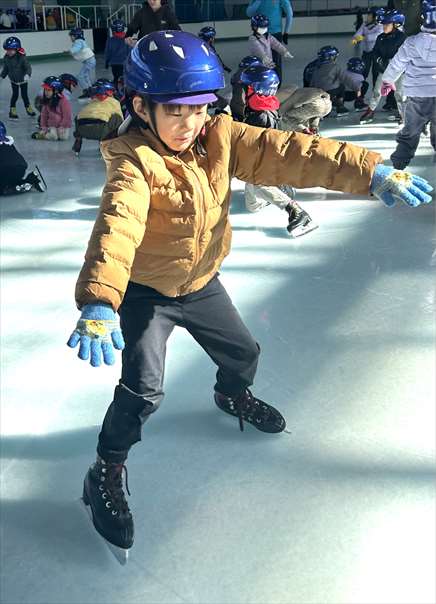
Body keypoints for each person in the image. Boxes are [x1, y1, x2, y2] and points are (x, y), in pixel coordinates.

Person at [66, 30, 432, 561]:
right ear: (141, 107)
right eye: (174, 111)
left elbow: (292, 151)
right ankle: (106, 467)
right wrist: (101, 297)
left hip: (201, 283)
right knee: (143, 390)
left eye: (198, 109)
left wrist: (369, 170)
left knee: (244, 353)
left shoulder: (220, 137)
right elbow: (117, 224)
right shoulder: (133, 160)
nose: (188, 123)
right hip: (145, 291)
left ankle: (230, 393)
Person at [240, 65, 318, 237]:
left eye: (245, 88)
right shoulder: (259, 107)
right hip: (272, 159)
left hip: (270, 161)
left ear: (256, 90)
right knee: (252, 206)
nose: (242, 92)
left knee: (255, 179)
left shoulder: (260, 117)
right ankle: (280, 189)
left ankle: (297, 212)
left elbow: (264, 150)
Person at [380, 0, 436, 169]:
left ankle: (399, 163)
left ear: (422, 18)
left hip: (417, 95)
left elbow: (397, 63)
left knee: (411, 130)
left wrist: (388, 81)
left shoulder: (411, 42)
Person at [360, 10, 406, 124]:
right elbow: (375, 52)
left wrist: (391, 63)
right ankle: (370, 111)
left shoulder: (402, 37)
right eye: (384, 24)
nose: (384, 27)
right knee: (377, 91)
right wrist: (380, 61)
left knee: (400, 94)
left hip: (399, 72)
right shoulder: (380, 37)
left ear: (396, 25)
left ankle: (404, 114)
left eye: (387, 24)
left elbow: (404, 55)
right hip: (384, 70)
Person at [72, 79, 124, 155]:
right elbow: (121, 120)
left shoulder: (91, 101)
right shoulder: (115, 102)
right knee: (116, 118)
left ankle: (78, 141)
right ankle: (108, 145)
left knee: (80, 116)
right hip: (101, 130)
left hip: (81, 129)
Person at [246, 0, 293, 83]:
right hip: (259, 33)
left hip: (275, 33)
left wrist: (286, 31)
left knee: (275, 62)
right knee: (262, 61)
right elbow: (249, 13)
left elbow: (289, 12)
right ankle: (262, 82)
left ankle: (276, 83)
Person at [308, 45, 357, 116]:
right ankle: (340, 106)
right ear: (331, 57)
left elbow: (312, 82)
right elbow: (345, 79)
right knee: (342, 86)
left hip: (318, 93)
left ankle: (326, 107)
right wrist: (357, 88)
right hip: (330, 93)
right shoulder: (335, 67)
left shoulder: (316, 68)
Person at [0, 121, 46, 195]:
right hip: (21, 168)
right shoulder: (8, 141)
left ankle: (8, 188)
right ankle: (31, 179)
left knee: (3, 184)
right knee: (11, 179)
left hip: (5, 169)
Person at [1, 36, 36, 119]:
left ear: (16, 49)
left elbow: (28, 67)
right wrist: (2, 76)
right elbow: (6, 69)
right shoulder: (6, 58)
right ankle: (12, 110)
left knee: (24, 95)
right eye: (7, 50)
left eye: (11, 50)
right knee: (15, 95)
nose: (9, 52)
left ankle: (28, 108)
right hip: (14, 81)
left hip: (23, 80)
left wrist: (27, 74)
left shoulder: (22, 58)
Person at [31, 76, 72, 141]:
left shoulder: (64, 101)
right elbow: (44, 116)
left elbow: (67, 116)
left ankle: (48, 133)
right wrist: (44, 127)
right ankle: (43, 135)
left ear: (56, 91)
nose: (46, 92)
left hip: (63, 126)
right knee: (53, 136)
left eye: (49, 90)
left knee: (63, 137)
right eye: (45, 90)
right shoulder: (47, 102)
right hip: (52, 126)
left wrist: (63, 126)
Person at [351, 7, 384, 85]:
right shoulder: (365, 24)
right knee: (363, 71)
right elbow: (356, 36)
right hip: (366, 52)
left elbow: (374, 37)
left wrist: (362, 37)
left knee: (376, 73)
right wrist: (358, 38)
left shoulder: (381, 26)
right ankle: (361, 90)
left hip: (377, 53)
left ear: (376, 17)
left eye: (369, 15)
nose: (367, 17)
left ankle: (375, 91)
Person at [230, 55, 262, 121]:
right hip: (242, 114)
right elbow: (240, 102)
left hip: (236, 109)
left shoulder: (237, 77)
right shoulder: (243, 82)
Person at [68, 27, 96, 100]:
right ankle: (90, 89)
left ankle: (86, 90)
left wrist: (71, 51)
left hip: (89, 61)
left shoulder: (78, 41)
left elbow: (76, 48)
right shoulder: (81, 41)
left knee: (80, 76)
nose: (70, 38)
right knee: (85, 75)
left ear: (76, 36)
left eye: (72, 36)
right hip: (90, 61)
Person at [105, 19, 130, 88]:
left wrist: (106, 62)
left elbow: (108, 52)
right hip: (124, 63)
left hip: (114, 64)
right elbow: (130, 52)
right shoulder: (127, 39)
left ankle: (116, 91)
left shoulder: (110, 40)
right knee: (124, 80)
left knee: (116, 78)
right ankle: (124, 92)